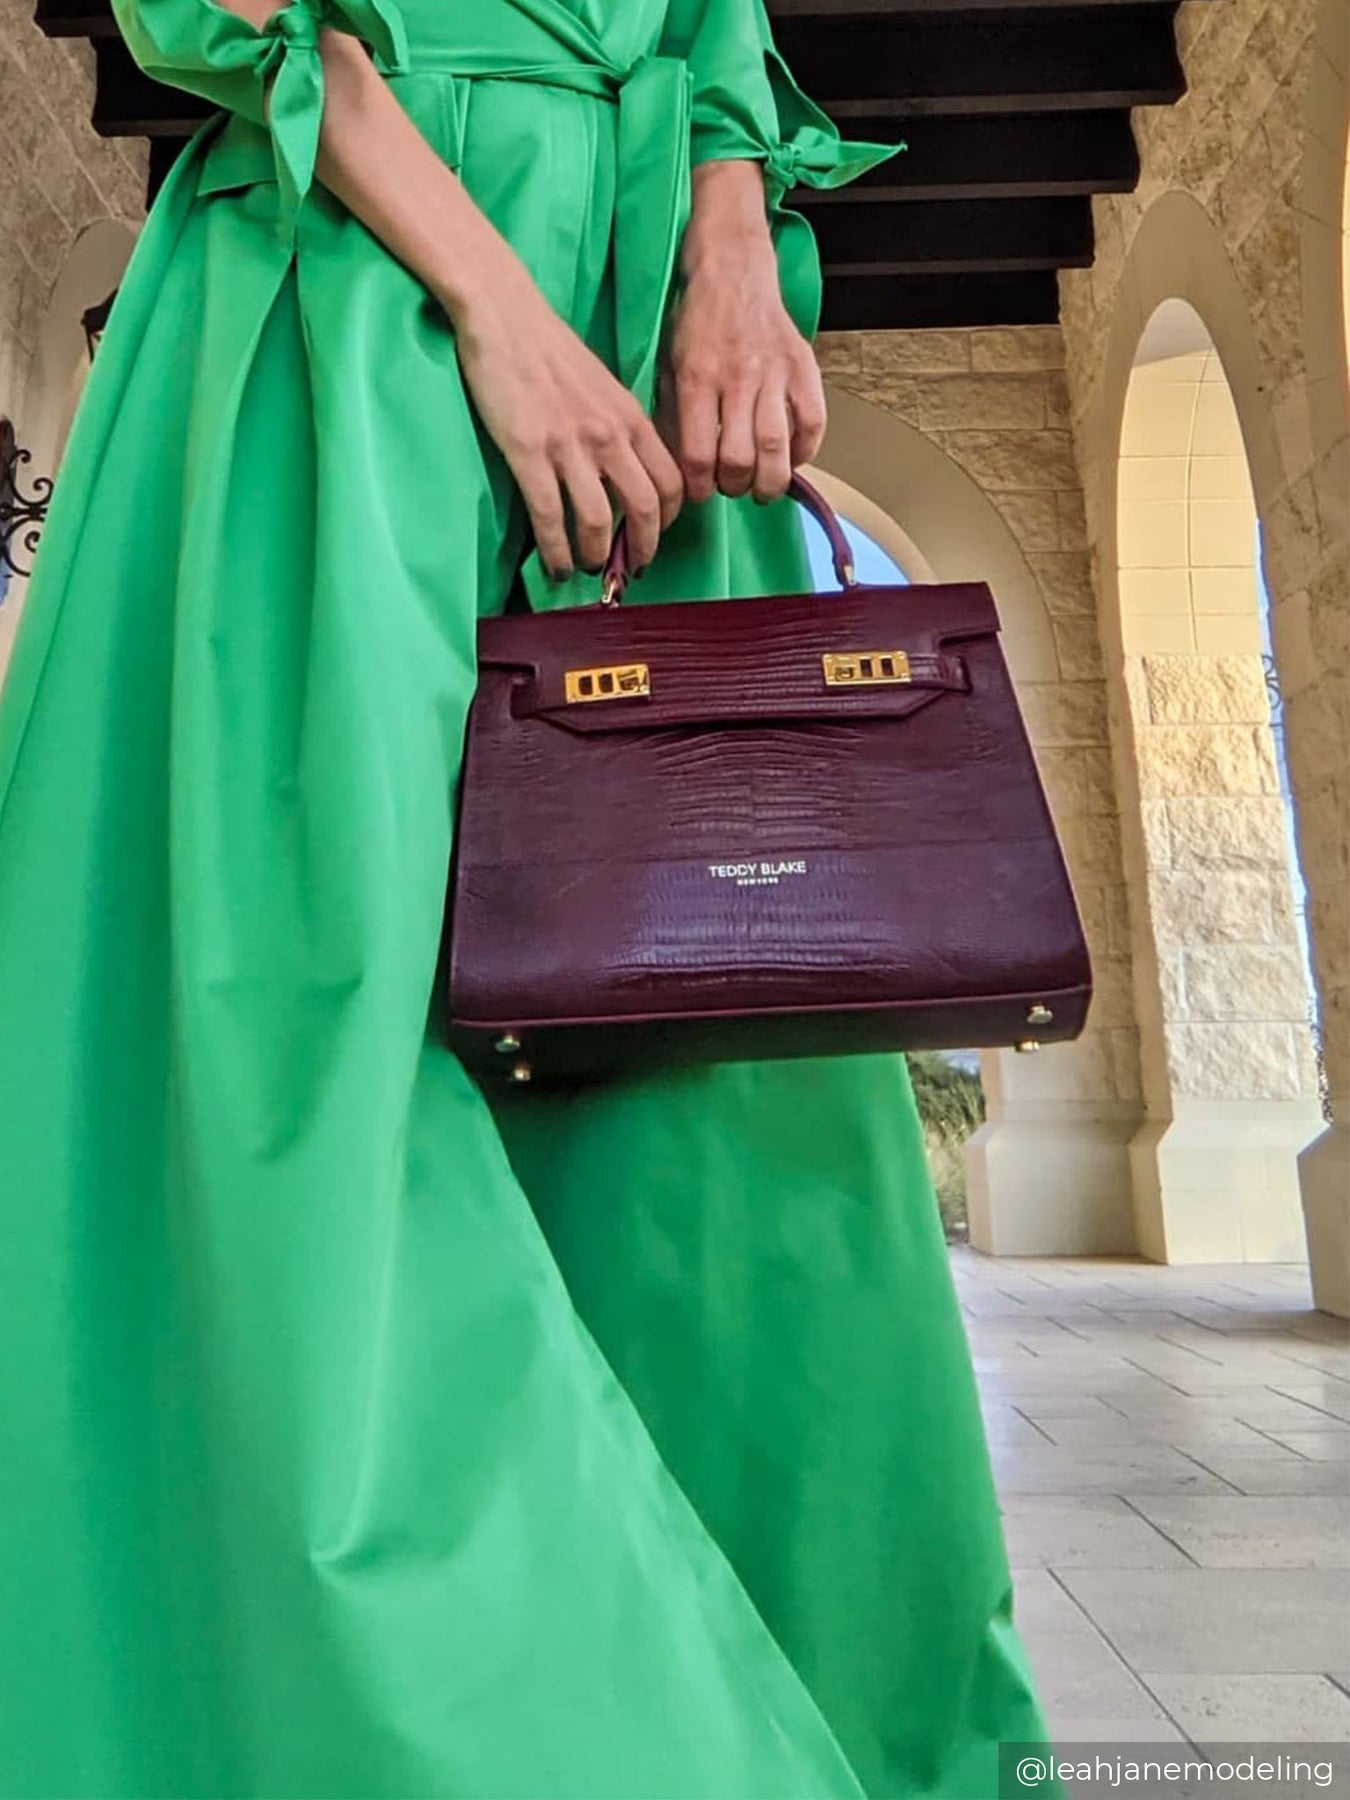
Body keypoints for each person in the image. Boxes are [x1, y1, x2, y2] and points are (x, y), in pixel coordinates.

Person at [0, 0, 1064, 1793]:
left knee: (716, 1113)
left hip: (646, 323)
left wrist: (729, 238)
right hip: (355, 295)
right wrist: (499, 311)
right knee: (321, 1089)